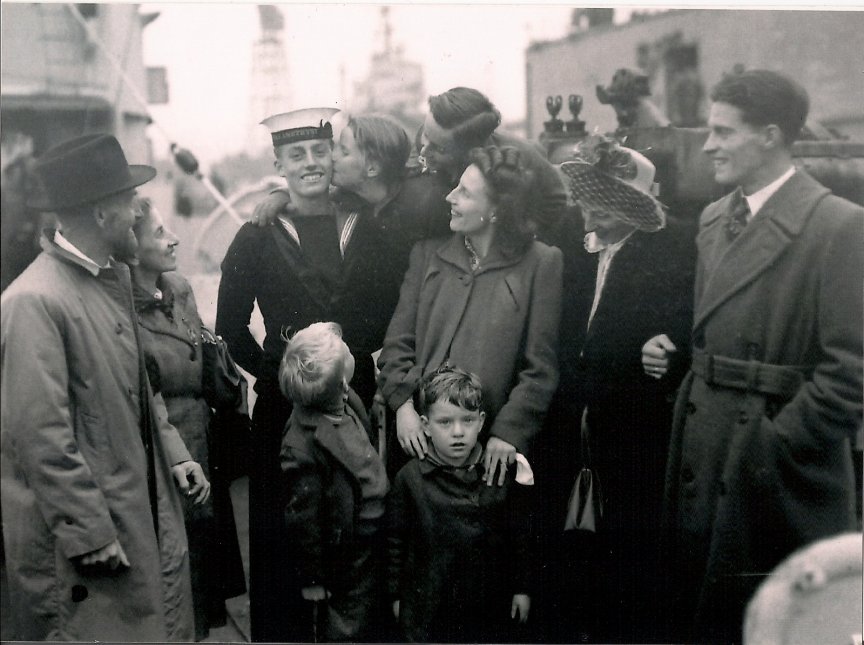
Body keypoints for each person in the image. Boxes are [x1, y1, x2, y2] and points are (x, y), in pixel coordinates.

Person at [644, 69, 863, 643]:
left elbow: (853, 370)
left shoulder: (837, 224)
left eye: (722, 132)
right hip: (707, 448)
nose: (708, 145)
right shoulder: (715, 219)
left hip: (775, 470)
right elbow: (717, 327)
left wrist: (776, 446)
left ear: (769, 136)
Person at [0, 133, 210, 641]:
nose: (138, 212)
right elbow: (39, 435)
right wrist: (89, 533)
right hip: (86, 548)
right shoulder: (34, 301)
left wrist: (176, 453)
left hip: (136, 517)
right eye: (127, 202)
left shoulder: (108, 281)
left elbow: (141, 392)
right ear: (99, 214)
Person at [216, 107, 391, 641]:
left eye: (320, 151)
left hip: (353, 400)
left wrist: (356, 359)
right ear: (279, 163)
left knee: (359, 519)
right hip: (283, 409)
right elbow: (229, 325)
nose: (311, 163)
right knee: (285, 533)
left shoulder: (367, 223)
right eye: (297, 155)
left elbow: (390, 302)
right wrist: (278, 375)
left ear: (333, 155)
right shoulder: (256, 234)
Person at [553, 135, 696, 643]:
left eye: (603, 213)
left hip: (637, 433)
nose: (589, 222)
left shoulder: (677, 249)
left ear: (634, 209)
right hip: (578, 423)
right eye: (585, 207)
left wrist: (673, 353)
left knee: (631, 555)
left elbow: (695, 327)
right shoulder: (580, 241)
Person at [378, 145, 562, 490]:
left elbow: (541, 368)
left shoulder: (541, 263)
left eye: (464, 193)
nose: (450, 197)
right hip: (419, 444)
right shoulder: (427, 254)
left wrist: (508, 432)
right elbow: (397, 345)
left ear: (496, 210)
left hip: (491, 453)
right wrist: (402, 406)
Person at [129, 197, 246, 640]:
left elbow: (205, 354)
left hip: (202, 445)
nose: (173, 238)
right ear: (130, 246)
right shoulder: (120, 307)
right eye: (158, 233)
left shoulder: (177, 287)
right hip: (162, 456)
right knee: (171, 575)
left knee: (202, 577)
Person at [387, 364, 537, 643]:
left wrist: (521, 589)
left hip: (485, 604)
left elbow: (518, 536)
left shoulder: (497, 472)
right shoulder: (410, 478)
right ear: (425, 425)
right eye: (445, 422)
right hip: (429, 605)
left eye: (467, 421)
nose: (458, 432)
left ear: (481, 422)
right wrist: (396, 596)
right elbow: (395, 541)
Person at [279, 322, 389, 641]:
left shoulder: (347, 401)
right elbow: (303, 519)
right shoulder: (301, 443)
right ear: (342, 384)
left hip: (374, 530)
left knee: (373, 611)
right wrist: (312, 577)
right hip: (346, 548)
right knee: (347, 620)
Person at [420, 86, 568, 243]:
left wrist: (518, 236)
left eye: (440, 149)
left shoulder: (518, 154)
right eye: (425, 134)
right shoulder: (436, 136)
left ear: (471, 147)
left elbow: (556, 201)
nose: (423, 150)